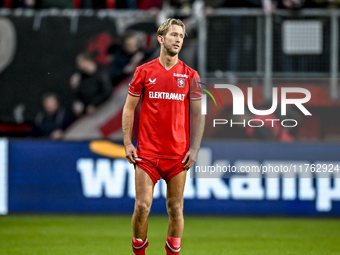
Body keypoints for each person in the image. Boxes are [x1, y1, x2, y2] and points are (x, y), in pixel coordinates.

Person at [122, 18, 205, 255]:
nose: (178, 39)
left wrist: (195, 149)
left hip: (177, 155)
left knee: (175, 209)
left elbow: (199, 115)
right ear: (161, 38)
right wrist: (128, 143)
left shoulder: (191, 76)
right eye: (174, 35)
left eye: (181, 36)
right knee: (142, 206)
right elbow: (128, 108)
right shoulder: (143, 71)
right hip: (147, 154)